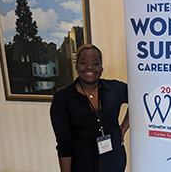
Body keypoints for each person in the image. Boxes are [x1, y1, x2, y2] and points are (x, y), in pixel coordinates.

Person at [50, 44, 129, 172]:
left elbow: (139, 98)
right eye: (83, 62)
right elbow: (64, 143)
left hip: (115, 161)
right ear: (76, 66)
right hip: (83, 164)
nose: (89, 67)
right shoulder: (63, 99)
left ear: (101, 67)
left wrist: (123, 128)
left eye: (95, 63)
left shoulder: (115, 89)